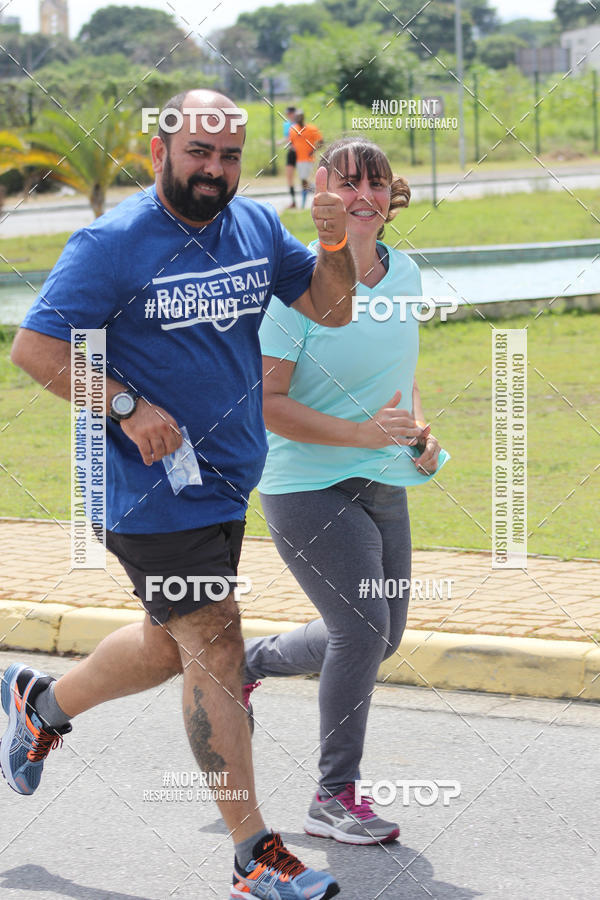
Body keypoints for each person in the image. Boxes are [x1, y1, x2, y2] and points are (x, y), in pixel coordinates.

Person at [1, 90, 356, 900]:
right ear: (160, 150)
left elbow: (332, 309)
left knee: (173, 648)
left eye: (229, 156)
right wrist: (125, 405)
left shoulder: (256, 228)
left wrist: (335, 240)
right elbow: (35, 349)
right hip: (146, 490)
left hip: (224, 483)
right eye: (199, 151)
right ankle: (253, 855)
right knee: (218, 642)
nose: (214, 170)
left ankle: (39, 706)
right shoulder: (112, 244)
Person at [244, 136, 449, 846]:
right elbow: (267, 403)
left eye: (377, 183)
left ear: (392, 197)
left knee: (380, 637)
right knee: (361, 630)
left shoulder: (407, 274)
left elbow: (400, 373)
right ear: (321, 194)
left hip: (385, 477)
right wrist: (364, 434)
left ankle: (248, 661)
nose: (364, 196)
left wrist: (418, 431)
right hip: (305, 484)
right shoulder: (295, 286)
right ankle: (334, 798)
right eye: (348, 183)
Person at [289, 110, 323, 209]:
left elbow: (321, 142)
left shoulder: (311, 128)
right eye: (296, 117)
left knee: (304, 181)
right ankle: (318, 191)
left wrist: (313, 150)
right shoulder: (293, 130)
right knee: (303, 181)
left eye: (300, 116)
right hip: (299, 160)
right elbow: (291, 143)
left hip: (308, 159)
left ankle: (318, 193)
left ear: (303, 117)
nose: (298, 118)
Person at [282, 105, 298, 209]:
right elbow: (287, 138)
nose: (288, 115)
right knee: (289, 177)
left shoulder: (300, 124)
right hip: (291, 153)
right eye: (287, 114)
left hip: (301, 153)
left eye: (290, 113)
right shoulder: (286, 124)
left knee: (304, 178)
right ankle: (293, 201)